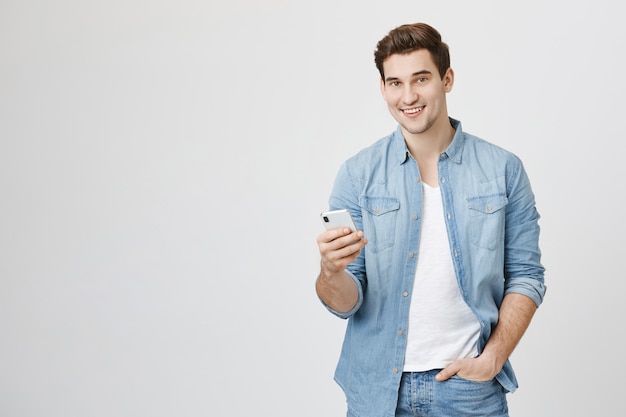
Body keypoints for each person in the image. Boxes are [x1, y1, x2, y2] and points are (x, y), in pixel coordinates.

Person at [315, 22, 546, 417]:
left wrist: (493, 359)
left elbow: (526, 275)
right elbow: (345, 303)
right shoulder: (357, 175)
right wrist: (331, 273)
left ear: (447, 79)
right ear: (383, 88)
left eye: (421, 79)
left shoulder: (503, 170)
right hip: (377, 391)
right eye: (395, 83)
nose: (408, 96)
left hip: (468, 391)